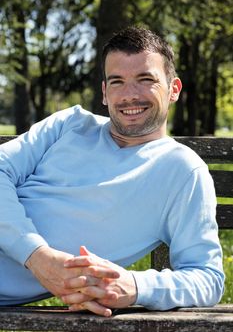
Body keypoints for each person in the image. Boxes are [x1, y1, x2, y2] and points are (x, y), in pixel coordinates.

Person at [0, 26, 224, 317]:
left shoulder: (182, 171)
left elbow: (207, 277)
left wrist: (134, 285)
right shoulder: (69, 124)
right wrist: (37, 257)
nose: (129, 95)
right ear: (105, 93)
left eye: (145, 80)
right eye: (117, 82)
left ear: (174, 89)